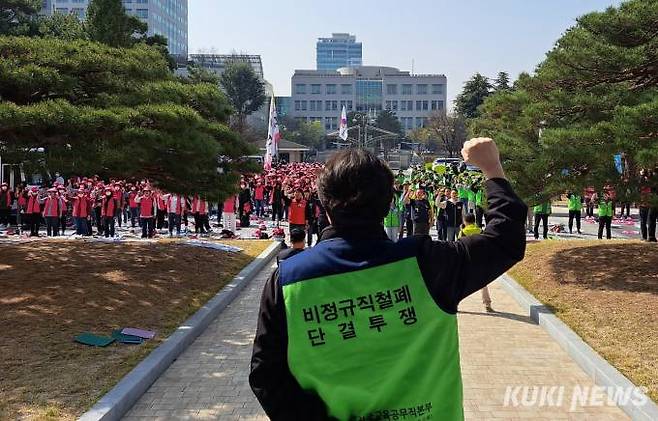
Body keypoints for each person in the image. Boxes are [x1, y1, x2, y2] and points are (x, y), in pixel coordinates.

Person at [249, 138, 527, 420]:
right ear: (388, 203)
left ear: (324, 206)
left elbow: (266, 377)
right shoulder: (427, 263)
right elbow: (505, 240)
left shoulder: (287, 281)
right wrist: (492, 167)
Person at [458, 213, 493, 312]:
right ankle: (487, 304)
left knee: (460, 284)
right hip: (480, 260)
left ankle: (456, 304)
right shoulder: (481, 231)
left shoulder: (463, 232)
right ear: (474, 221)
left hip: (467, 260)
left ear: (465, 221)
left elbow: (459, 247)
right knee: (483, 284)